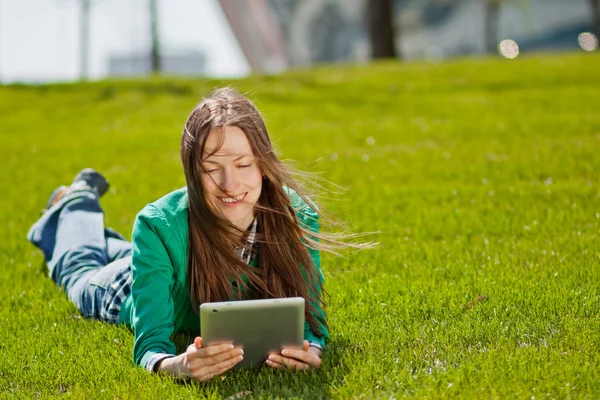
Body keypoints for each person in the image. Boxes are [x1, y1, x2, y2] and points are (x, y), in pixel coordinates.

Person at [27, 87, 347, 382]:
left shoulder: (296, 215)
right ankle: (77, 200)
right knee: (77, 266)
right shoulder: (157, 226)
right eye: (211, 169)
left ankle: (91, 219)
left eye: (243, 164)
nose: (230, 184)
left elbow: (311, 320)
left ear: (263, 165)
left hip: (155, 261)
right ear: (193, 172)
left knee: (136, 254)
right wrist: (178, 365)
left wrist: (311, 351)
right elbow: (151, 345)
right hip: (121, 289)